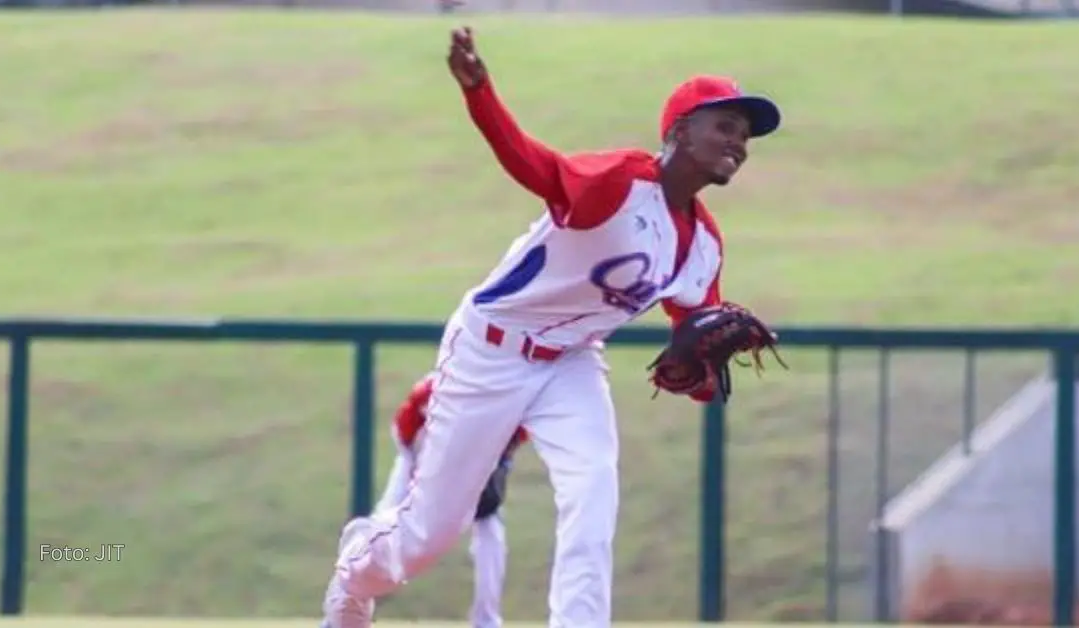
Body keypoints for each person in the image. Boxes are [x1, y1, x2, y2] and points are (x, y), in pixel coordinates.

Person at [320, 25, 782, 628]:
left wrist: (699, 373)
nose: (739, 142)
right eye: (725, 125)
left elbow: (696, 349)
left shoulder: (704, 247)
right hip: (490, 349)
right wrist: (479, 92)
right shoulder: (619, 182)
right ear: (678, 131)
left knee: (593, 490)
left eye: (745, 135)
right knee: (427, 537)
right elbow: (532, 164)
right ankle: (355, 577)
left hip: (571, 360)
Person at [321, 374, 527, 628]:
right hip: (420, 462)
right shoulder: (432, 392)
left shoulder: (511, 397)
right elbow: (404, 433)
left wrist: (496, 461)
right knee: (382, 523)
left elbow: (517, 437)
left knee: (491, 537)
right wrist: (420, 468)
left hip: (478, 468)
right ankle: (344, 606)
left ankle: (487, 621)